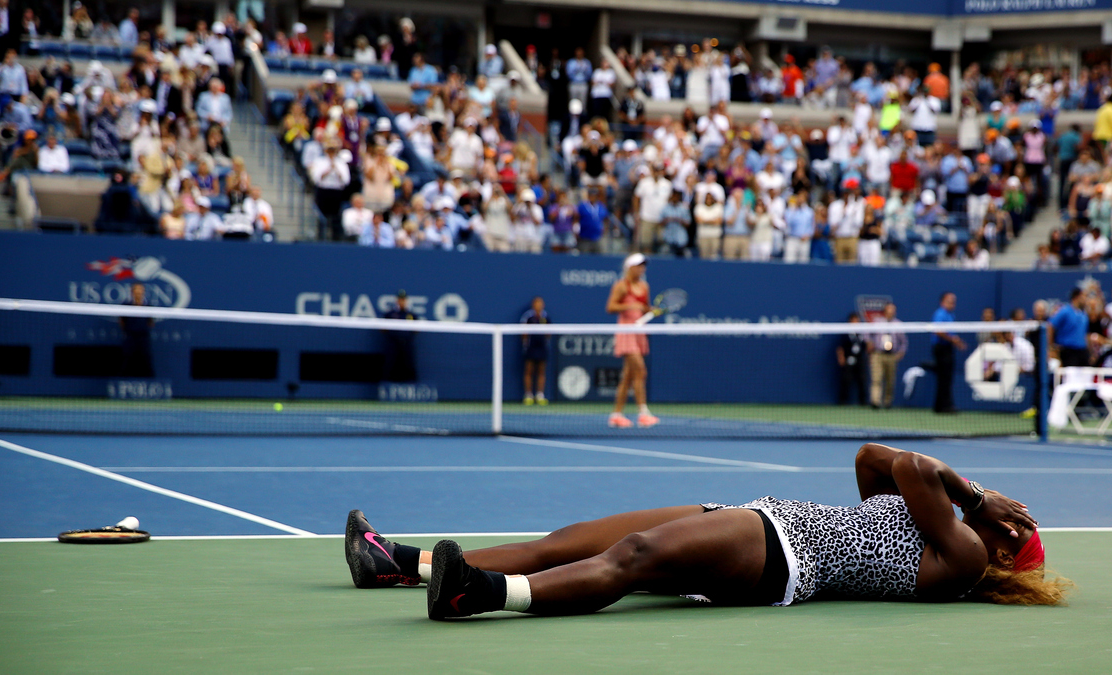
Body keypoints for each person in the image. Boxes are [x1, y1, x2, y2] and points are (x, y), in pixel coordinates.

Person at [343, 443, 1063, 621]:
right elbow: (873, 458)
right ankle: (394, 563)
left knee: (632, 557)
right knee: (574, 537)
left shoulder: (963, 553)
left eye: (1012, 524)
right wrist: (965, 491)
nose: (1002, 517)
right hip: (754, 517)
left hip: (784, 554)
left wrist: (978, 494)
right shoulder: (939, 527)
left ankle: (480, 594)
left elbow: (911, 463)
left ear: (1003, 545)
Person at [606, 254, 658, 429]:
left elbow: (645, 309)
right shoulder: (621, 286)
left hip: (639, 332)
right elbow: (611, 307)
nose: (642, 269)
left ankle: (616, 415)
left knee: (628, 377)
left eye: (643, 266)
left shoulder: (645, 286)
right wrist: (630, 305)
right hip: (626, 332)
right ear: (629, 267)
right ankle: (643, 413)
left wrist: (648, 310)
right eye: (638, 266)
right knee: (640, 370)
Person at [932, 292, 965, 414]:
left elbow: (951, 333)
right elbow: (938, 331)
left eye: (954, 301)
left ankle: (943, 406)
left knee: (947, 379)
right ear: (942, 302)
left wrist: (957, 342)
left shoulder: (951, 315)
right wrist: (954, 340)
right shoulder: (940, 313)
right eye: (950, 301)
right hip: (941, 349)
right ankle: (943, 406)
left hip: (948, 349)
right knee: (944, 378)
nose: (952, 303)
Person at [870, 303, 907, 409]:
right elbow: (867, 334)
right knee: (876, 379)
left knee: (890, 381)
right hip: (878, 354)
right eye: (889, 310)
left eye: (893, 310)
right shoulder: (877, 323)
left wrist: (901, 352)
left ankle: (887, 402)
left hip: (891, 355)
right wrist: (869, 343)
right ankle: (875, 402)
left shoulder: (898, 324)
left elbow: (904, 341)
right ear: (885, 311)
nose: (891, 312)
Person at [1049, 288, 1090, 368]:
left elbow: (1085, 334)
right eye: (1084, 296)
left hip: (1082, 350)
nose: (1086, 299)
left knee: (1086, 374)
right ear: (1077, 297)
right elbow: (1050, 326)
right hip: (1068, 351)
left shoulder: (1084, 314)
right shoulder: (1065, 311)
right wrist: (1051, 347)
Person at [382, 290, 418, 382]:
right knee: (390, 364)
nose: (402, 301)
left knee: (409, 365)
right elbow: (382, 327)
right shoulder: (390, 314)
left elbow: (417, 329)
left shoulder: (411, 314)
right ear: (397, 300)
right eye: (400, 299)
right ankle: (386, 385)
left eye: (404, 299)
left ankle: (412, 384)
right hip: (393, 344)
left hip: (407, 344)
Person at [119, 283, 154, 377]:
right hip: (130, 337)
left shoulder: (148, 306)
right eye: (136, 289)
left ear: (143, 292)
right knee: (127, 358)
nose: (138, 292)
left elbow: (150, 322)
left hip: (143, 337)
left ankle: (149, 380)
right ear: (132, 292)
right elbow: (122, 321)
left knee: (146, 359)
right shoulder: (126, 305)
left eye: (140, 290)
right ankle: (123, 379)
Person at [521, 297, 550, 405]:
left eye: (541, 303)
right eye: (537, 303)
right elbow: (523, 333)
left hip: (542, 348)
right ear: (533, 304)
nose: (539, 305)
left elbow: (549, 333)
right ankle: (528, 395)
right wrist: (526, 344)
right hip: (530, 348)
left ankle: (539, 395)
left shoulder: (545, 317)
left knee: (541, 372)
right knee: (528, 371)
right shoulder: (528, 317)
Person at [837, 313, 869, 405]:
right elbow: (840, 346)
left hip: (860, 359)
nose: (855, 322)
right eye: (853, 320)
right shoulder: (845, 332)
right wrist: (841, 357)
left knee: (862, 380)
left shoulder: (862, 332)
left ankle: (863, 401)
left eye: (857, 320)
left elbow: (866, 345)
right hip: (848, 359)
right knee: (846, 380)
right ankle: (842, 401)